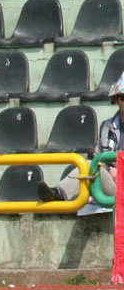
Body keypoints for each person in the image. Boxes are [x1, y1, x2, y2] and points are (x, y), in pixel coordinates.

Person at [37, 71, 124, 209]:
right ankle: (58, 194)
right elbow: (97, 158)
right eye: (123, 97)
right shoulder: (106, 127)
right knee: (88, 166)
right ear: (117, 99)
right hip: (113, 187)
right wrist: (110, 170)